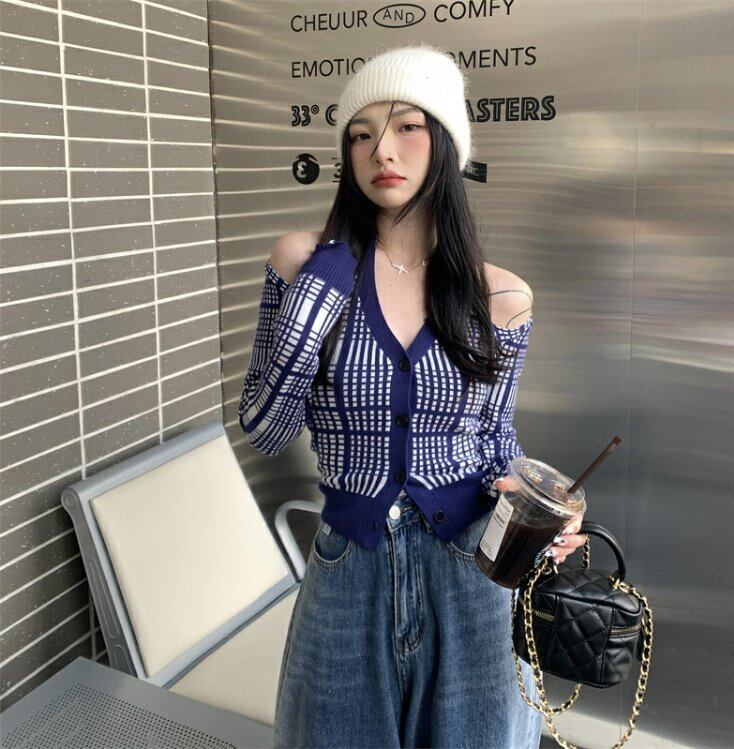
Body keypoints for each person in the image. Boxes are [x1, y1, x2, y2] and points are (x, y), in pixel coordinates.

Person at [238, 43, 587, 749]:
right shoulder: (303, 262)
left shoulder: (501, 295)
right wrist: (315, 301)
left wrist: (548, 504)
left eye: (407, 127)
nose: (382, 151)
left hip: (472, 570)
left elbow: (495, 441)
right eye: (361, 134)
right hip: (349, 564)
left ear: (446, 142)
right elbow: (265, 429)